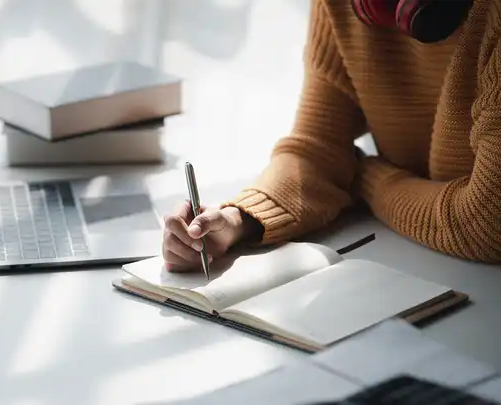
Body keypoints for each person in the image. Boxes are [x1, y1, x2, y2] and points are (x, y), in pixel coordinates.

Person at [162, 0, 501, 269]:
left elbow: (487, 221)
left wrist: (368, 177)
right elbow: (318, 149)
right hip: (429, 264)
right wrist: (236, 222)